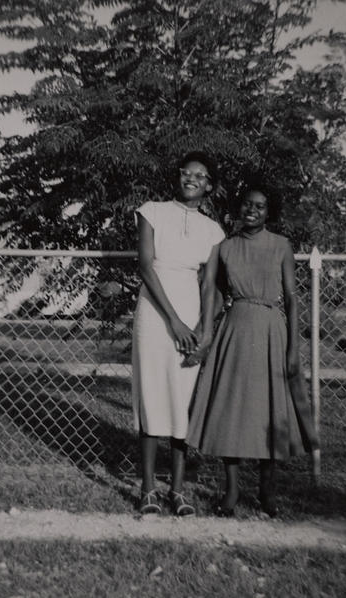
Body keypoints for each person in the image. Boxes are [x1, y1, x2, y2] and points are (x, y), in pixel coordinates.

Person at [186, 188, 319, 517]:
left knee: (268, 409)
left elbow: (291, 298)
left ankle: (266, 490)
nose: (252, 210)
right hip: (235, 331)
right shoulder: (225, 247)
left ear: (268, 212)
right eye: (247, 204)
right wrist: (203, 332)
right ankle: (231, 489)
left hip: (271, 332)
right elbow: (216, 296)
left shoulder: (281, 245)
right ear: (238, 207)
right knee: (231, 409)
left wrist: (293, 348)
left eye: (260, 206)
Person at [132, 151, 225, 516]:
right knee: (152, 395)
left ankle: (178, 490)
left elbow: (209, 285)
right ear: (178, 176)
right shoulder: (152, 211)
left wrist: (205, 333)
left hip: (191, 315)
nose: (192, 179)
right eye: (187, 172)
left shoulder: (213, 231)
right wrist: (173, 321)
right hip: (156, 316)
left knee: (181, 400)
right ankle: (148, 489)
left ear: (209, 186)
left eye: (200, 176)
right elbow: (146, 267)